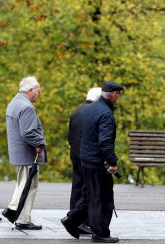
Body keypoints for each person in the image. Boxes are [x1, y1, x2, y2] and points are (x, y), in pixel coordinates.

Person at [61, 80, 124, 243]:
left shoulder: (90, 109)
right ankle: (101, 233)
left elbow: (82, 134)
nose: (119, 98)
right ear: (114, 94)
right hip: (97, 163)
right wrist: (112, 162)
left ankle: (72, 220)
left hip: (86, 161)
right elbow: (105, 141)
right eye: (119, 95)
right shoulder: (106, 113)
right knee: (103, 198)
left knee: (89, 196)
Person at [2, 76, 47, 230]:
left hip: (17, 153)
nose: (39, 94)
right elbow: (28, 133)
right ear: (30, 90)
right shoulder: (26, 106)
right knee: (30, 185)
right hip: (26, 154)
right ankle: (22, 219)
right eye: (38, 91)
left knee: (23, 184)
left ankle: (13, 210)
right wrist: (41, 142)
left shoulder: (14, 103)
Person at [68, 87, 101, 234]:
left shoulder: (76, 111)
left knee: (77, 188)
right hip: (87, 157)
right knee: (88, 190)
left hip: (75, 153)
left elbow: (70, 135)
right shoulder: (93, 112)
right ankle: (83, 222)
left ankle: (73, 219)